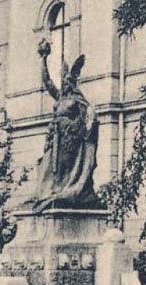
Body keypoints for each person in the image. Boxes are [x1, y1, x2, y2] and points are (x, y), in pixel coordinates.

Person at [24, 39, 102, 213]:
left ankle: (66, 194)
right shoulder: (59, 97)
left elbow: (89, 118)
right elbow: (47, 81)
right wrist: (43, 58)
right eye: (64, 80)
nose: (65, 83)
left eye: (68, 81)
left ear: (73, 82)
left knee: (64, 169)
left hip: (70, 140)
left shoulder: (77, 100)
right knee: (46, 167)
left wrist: (75, 128)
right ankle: (44, 195)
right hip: (55, 137)